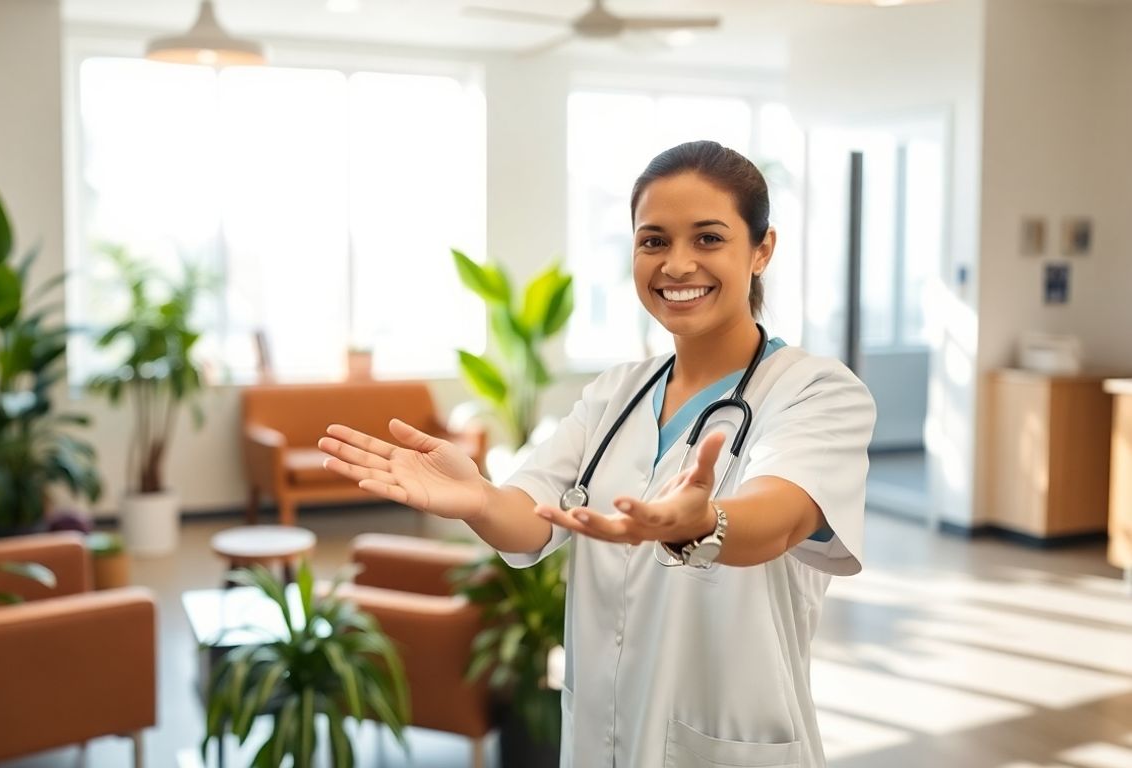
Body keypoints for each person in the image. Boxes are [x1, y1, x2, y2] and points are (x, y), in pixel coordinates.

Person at [318, 140, 876, 768]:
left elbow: (781, 515)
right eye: (654, 241)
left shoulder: (816, 391)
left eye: (709, 238)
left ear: (761, 249)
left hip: (728, 747)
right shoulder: (614, 394)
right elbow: (531, 517)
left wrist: (704, 522)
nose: (677, 264)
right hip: (598, 742)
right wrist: (479, 500)